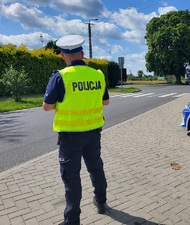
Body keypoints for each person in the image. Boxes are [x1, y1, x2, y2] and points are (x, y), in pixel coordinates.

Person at [42, 34, 109, 225]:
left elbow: (47, 107)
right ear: (82, 53)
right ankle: (101, 201)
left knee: (71, 178)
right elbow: (106, 101)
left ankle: (72, 221)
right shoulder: (97, 74)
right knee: (96, 168)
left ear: (63, 56)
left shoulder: (60, 77)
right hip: (94, 133)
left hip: (70, 137)